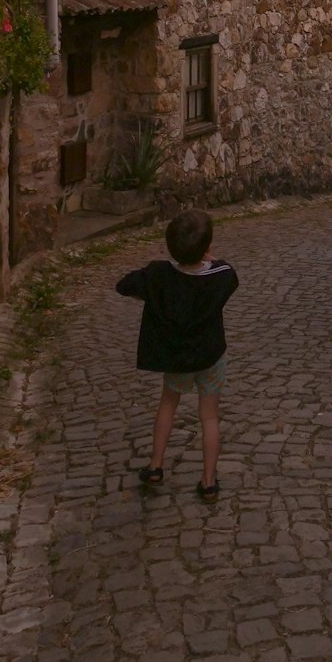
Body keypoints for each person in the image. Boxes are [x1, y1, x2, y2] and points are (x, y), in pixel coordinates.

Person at [116, 209, 238, 500]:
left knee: (168, 405)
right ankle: (208, 482)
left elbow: (125, 285)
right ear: (207, 246)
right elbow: (229, 272)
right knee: (209, 417)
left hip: (176, 359)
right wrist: (209, 259)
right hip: (210, 356)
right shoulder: (220, 277)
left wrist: (152, 293)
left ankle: (156, 466)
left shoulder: (159, 276)